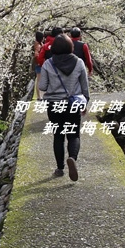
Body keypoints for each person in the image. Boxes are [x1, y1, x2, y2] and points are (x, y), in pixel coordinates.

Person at [37, 34, 89, 182]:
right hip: (72, 104)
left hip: (54, 105)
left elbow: (42, 86)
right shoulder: (78, 63)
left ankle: (60, 168)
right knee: (74, 135)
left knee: (58, 136)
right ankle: (72, 158)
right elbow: (85, 86)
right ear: (70, 47)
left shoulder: (48, 64)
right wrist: (85, 103)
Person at [31, 30, 45, 99]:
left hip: (39, 63)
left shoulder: (39, 44)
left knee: (40, 79)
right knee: (39, 80)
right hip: (39, 64)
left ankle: (40, 95)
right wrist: (40, 61)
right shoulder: (38, 45)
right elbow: (36, 55)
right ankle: (39, 96)